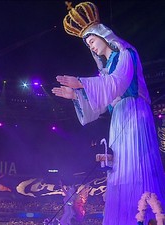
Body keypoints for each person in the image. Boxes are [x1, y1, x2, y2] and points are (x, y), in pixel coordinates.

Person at [52, 2, 165, 225]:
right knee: (119, 169)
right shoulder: (106, 69)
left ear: (103, 36)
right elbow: (103, 100)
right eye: (89, 45)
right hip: (119, 116)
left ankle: (145, 217)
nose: (92, 47)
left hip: (134, 112)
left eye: (92, 41)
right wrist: (75, 96)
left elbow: (117, 83)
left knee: (135, 165)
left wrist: (82, 84)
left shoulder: (126, 53)